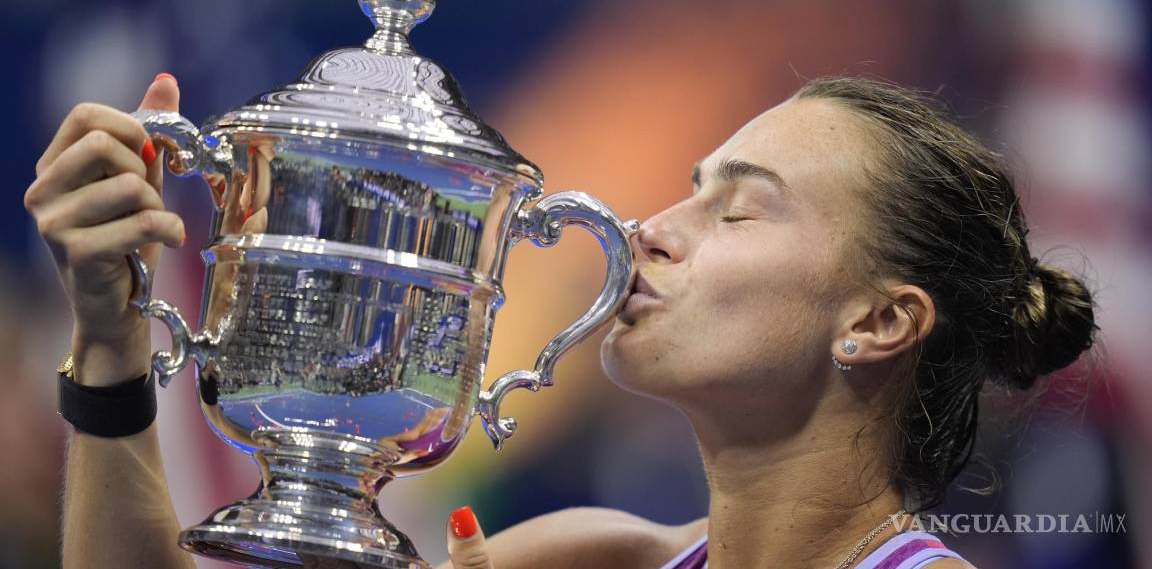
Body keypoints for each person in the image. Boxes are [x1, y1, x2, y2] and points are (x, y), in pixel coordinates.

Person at [25, 73, 1098, 569]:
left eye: (738, 209)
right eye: (685, 190)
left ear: (878, 320)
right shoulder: (585, 560)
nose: (650, 230)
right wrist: (113, 344)